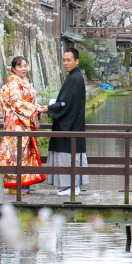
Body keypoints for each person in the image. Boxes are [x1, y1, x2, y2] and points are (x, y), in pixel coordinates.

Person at [0, 55, 48, 192]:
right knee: (17, 153)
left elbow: (28, 102)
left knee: (25, 154)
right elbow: (17, 103)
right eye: (19, 66)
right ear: (13, 69)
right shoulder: (13, 84)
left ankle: (23, 183)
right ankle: (15, 185)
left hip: (25, 123)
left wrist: (37, 107)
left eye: (25, 65)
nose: (23, 68)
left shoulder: (24, 83)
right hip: (17, 123)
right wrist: (35, 109)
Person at [47, 47, 88, 195]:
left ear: (77, 61)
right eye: (64, 60)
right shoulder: (74, 77)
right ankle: (71, 186)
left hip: (71, 125)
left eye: (69, 60)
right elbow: (66, 101)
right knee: (68, 155)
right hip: (72, 123)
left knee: (69, 154)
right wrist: (54, 106)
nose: (65, 63)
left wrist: (50, 108)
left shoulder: (75, 78)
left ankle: (73, 186)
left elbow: (66, 104)